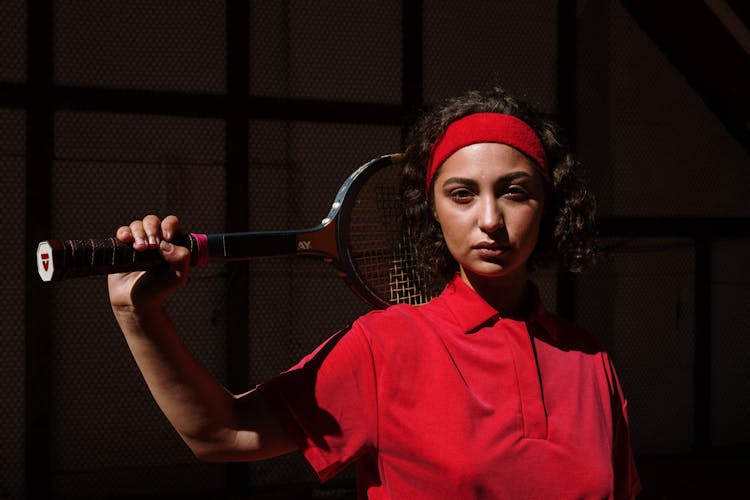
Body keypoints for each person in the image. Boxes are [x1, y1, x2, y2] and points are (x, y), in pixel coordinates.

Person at [108, 86, 642, 499]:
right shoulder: (384, 347)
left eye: (515, 192)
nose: (490, 220)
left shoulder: (590, 360)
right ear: (432, 211)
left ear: (547, 206)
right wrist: (138, 313)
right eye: (461, 194)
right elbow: (221, 433)